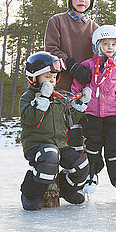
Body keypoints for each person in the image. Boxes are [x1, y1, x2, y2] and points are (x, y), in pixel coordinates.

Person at [71, 25, 116, 200]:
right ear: (97, 45)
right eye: (106, 44)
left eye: (114, 44)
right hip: (91, 115)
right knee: (92, 147)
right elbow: (76, 87)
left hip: (113, 115)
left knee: (114, 147)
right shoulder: (86, 66)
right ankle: (90, 175)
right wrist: (77, 102)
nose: (110, 47)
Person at [19, 52, 92, 211]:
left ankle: (67, 190)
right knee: (49, 156)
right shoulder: (27, 98)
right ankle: (30, 194)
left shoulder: (58, 98)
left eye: (53, 77)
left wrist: (81, 104)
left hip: (59, 144)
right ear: (34, 78)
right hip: (37, 145)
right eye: (47, 77)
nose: (51, 81)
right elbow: (30, 119)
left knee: (82, 164)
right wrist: (42, 99)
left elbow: (69, 119)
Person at [45, 0, 99, 153]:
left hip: (85, 91)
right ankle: (56, 174)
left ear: (91, 1)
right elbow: (51, 49)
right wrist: (72, 65)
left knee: (85, 138)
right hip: (61, 87)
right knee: (61, 136)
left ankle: (83, 176)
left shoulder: (95, 29)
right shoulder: (57, 21)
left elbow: (102, 56)